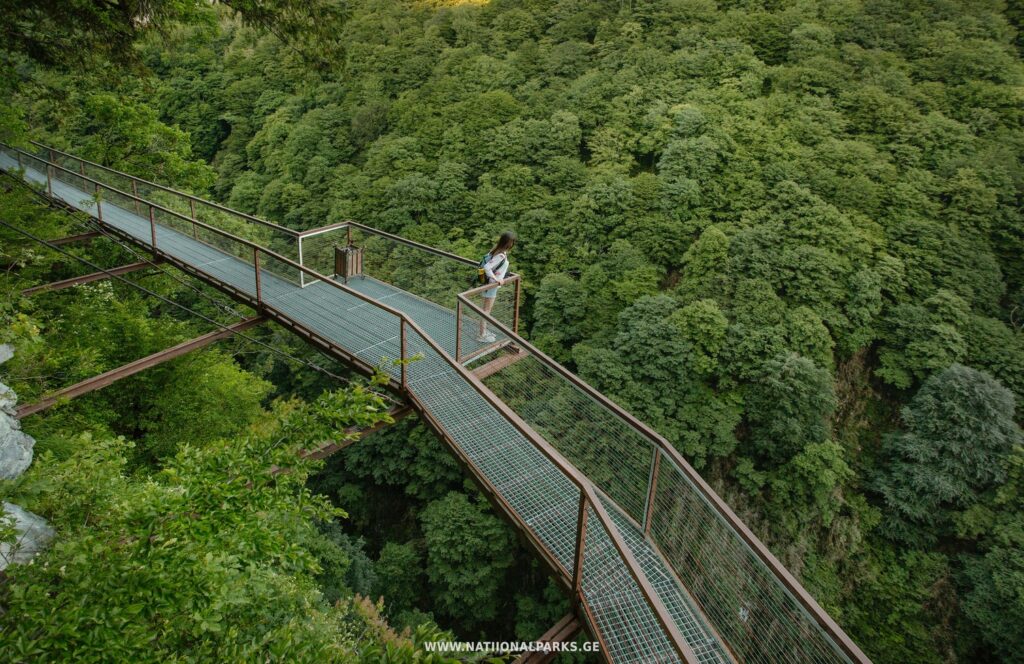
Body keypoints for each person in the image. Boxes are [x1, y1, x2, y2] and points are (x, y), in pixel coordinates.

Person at [477, 231, 515, 343]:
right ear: (509, 243)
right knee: (486, 310)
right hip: (491, 285)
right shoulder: (501, 255)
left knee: (485, 309)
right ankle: (481, 335)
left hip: (489, 284)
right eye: (512, 242)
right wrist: (497, 279)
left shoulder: (496, 250)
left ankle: (483, 332)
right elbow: (487, 268)